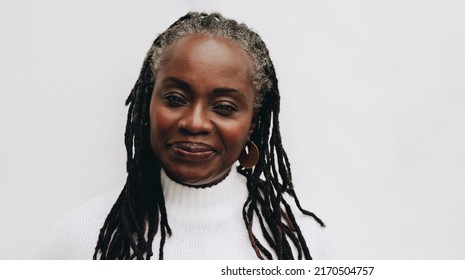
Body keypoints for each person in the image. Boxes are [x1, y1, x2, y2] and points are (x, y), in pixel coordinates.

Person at [34, 12, 326, 260]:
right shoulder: (83, 236)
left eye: (224, 107)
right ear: (147, 105)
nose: (194, 123)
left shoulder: (299, 244)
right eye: (174, 99)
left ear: (252, 124)